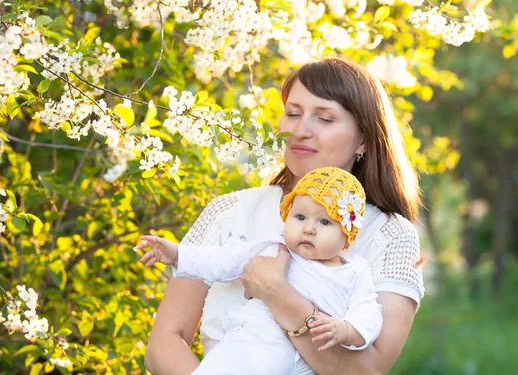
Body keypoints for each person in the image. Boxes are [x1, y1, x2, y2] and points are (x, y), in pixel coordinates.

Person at [142, 56, 425, 375]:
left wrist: (279, 295)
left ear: (362, 140)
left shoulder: (390, 235)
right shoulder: (229, 211)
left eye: (325, 119)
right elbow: (164, 342)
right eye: (293, 113)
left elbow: (370, 370)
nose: (301, 130)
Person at [138, 167, 383, 374]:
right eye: (299, 217)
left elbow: (368, 311)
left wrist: (348, 330)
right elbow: (223, 261)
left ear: (347, 233)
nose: (309, 228)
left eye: (324, 221)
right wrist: (178, 255)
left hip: (307, 362)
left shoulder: (354, 271)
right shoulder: (275, 248)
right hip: (254, 343)